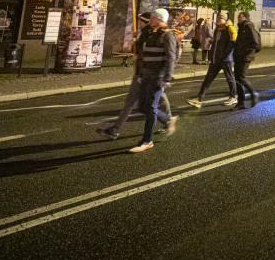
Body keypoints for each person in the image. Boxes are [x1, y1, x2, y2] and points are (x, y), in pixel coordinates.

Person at [99, 12, 174, 140]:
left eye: (141, 21)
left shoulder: (155, 34)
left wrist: (166, 77)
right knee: (145, 104)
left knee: (139, 103)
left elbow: (168, 56)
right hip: (143, 73)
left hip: (148, 74)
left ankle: (124, 132)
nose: (139, 24)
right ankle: (167, 120)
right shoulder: (147, 33)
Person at [130, 8, 179, 153]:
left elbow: (171, 57)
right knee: (142, 107)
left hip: (158, 76)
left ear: (160, 19)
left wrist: (167, 77)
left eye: (153, 18)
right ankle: (168, 120)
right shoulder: (151, 33)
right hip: (146, 75)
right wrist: (140, 73)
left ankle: (147, 140)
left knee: (151, 107)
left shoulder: (167, 35)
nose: (150, 20)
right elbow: (144, 54)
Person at [187, 14, 238, 108]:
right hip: (215, 59)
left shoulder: (230, 29)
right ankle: (199, 100)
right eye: (217, 18)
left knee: (230, 78)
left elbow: (232, 43)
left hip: (225, 60)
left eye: (220, 19)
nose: (217, 20)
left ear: (224, 19)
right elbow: (215, 43)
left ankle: (233, 96)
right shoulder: (217, 29)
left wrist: (225, 55)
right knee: (208, 79)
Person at [233, 12, 261, 109]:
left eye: (240, 16)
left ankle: (254, 93)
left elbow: (256, 43)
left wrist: (246, 52)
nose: (238, 18)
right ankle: (241, 103)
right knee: (237, 79)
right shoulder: (241, 28)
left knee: (242, 77)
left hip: (245, 57)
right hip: (239, 56)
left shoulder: (249, 27)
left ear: (245, 17)